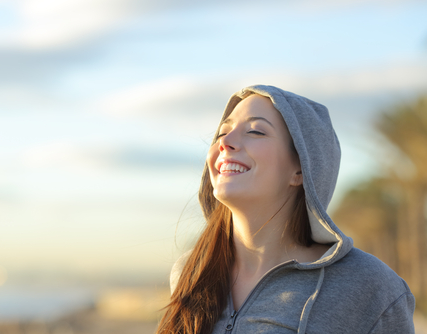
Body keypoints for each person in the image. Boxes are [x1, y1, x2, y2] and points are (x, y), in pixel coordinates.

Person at [155, 85, 415, 334]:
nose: (226, 142)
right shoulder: (191, 271)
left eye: (256, 131)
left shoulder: (369, 286)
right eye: (223, 132)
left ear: (301, 170)